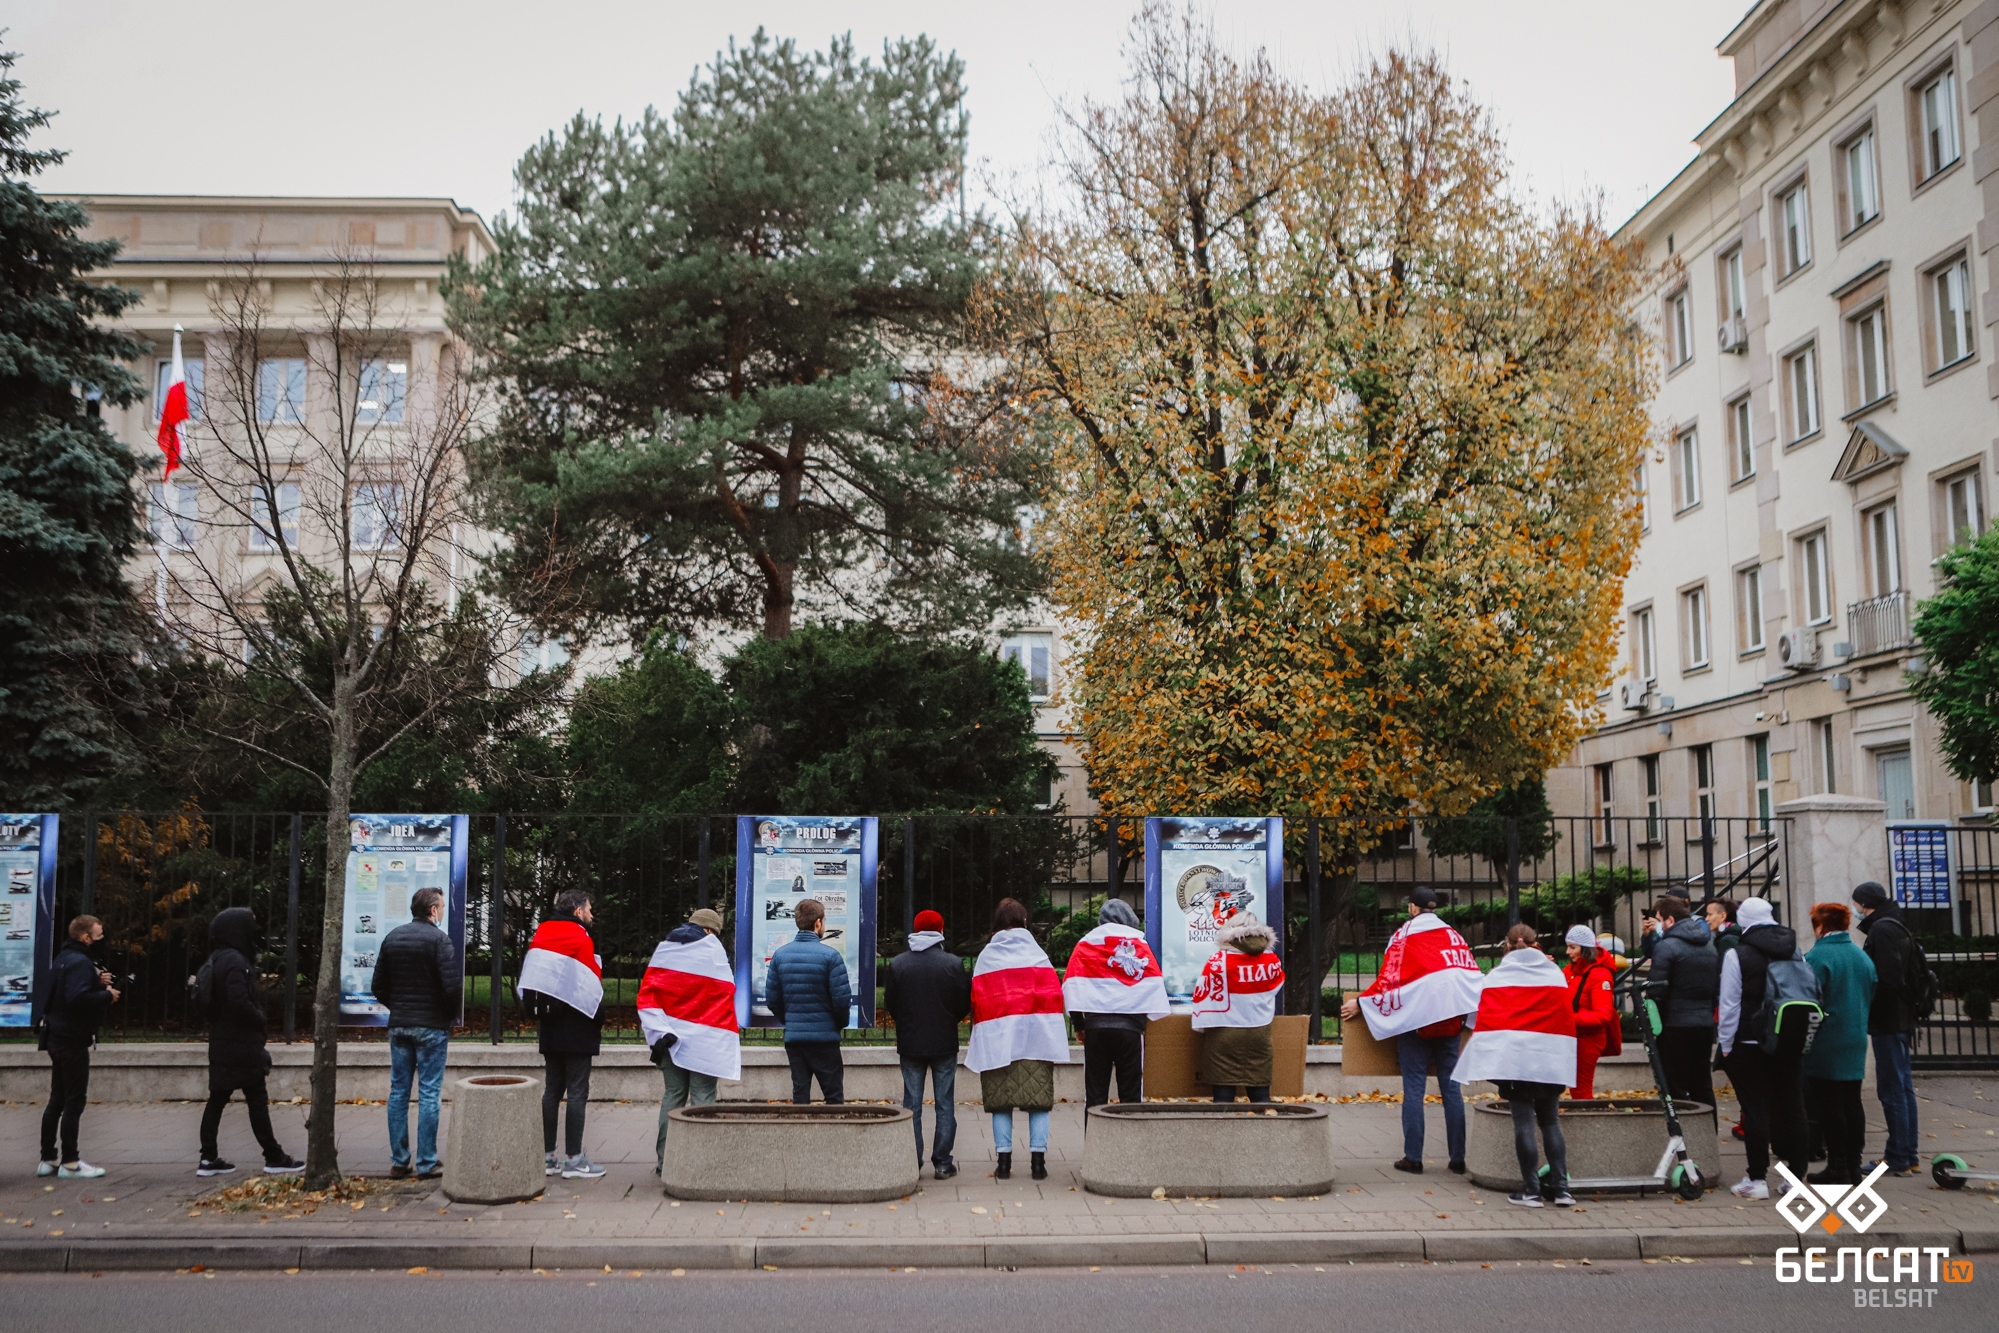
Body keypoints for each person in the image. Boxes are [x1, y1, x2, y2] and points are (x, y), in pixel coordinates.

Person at [1340, 885, 1482, 1174]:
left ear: (1413, 908)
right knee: (1452, 1091)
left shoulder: (1404, 936)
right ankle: (1457, 1159)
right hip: (1451, 1023)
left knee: (1414, 1090)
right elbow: (1470, 975)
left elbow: (1389, 980)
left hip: (1417, 1025)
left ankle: (1413, 1158)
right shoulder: (1453, 935)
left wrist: (1362, 1003)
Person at [1453, 924, 1577, 1209]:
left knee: (1523, 1123)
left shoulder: (1496, 977)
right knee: (1550, 1122)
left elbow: (1483, 1016)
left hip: (1514, 1061)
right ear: (1536, 944)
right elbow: (1563, 1014)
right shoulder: (1555, 974)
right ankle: (1562, 1189)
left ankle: (1532, 1190)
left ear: (1506, 945)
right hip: (1549, 1058)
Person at [967, 898, 1068, 1181]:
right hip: (1037, 1039)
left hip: (998, 1040)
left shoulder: (987, 956)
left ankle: (1003, 1163)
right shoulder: (1038, 956)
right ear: (1024, 922)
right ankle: (1038, 1164)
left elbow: (978, 998)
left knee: (1000, 1102)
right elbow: (1053, 995)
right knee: (1039, 1101)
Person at [197, 907, 302, 1176]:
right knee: (256, 1096)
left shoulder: (217, 958)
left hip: (222, 1039)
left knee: (218, 1097)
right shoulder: (235, 961)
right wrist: (259, 1018)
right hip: (240, 1042)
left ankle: (208, 1158)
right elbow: (238, 1000)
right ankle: (273, 1156)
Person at [1716, 897, 1808, 1199]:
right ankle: (1796, 1178)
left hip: (1749, 1040)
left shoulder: (1737, 954)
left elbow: (1729, 1004)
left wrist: (1726, 1044)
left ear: (1743, 921)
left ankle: (1757, 1180)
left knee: (1756, 1109)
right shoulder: (1794, 950)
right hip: (1788, 1039)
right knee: (1793, 1107)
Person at [637, 908, 738, 1177]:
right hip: (704, 1041)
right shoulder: (712, 950)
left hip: (669, 1039)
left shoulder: (665, 949)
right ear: (709, 930)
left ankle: (665, 1162)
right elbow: (725, 992)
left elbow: (648, 993)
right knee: (702, 1099)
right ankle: (700, 1162)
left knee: (673, 1096)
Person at [371, 886, 460, 1180]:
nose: (443, 912)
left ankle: (399, 1161)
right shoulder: (440, 941)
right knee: (429, 1092)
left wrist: (398, 1007)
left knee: (398, 1091)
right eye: (442, 907)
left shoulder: (393, 938)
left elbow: (378, 986)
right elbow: (451, 988)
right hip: (431, 1027)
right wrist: (446, 1016)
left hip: (399, 1026)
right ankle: (426, 1162)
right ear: (433, 911)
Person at [519, 888, 607, 1180]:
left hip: (550, 1024)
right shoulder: (580, 937)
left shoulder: (542, 932)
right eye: (589, 909)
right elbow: (591, 982)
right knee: (578, 1092)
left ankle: (546, 1157)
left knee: (551, 1090)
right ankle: (574, 1159)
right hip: (578, 1026)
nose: (591, 914)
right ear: (578, 911)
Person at [885, 909, 971, 1179]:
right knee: (945, 1103)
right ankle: (943, 1163)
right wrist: (948, 1021)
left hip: (911, 1043)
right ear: (940, 931)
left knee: (912, 1103)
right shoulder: (953, 963)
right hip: (944, 1042)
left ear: (916, 929)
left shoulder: (899, 964)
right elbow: (962, 1005)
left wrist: (907, 1023)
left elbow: (891, 1005)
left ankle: (913, 1161)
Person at [1061, 898, 1167, 1109]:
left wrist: (1080, 1027)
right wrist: (1141, 1022)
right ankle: (1129, 1140)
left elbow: (1072, 985)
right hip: (1130, 1030)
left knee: (1095, 1096)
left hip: (1095, 1029)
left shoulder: (1086, 944)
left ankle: (1094, 1140)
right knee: (1131, 1096)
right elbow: (1153, 984)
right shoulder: (1139, 945)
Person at [36, 915, 119, 1178]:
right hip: (71, 1039)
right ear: (86, 937)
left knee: (56, 1099)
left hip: (55, 1037)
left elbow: (63, 993)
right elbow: (76, 998)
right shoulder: (82, 962)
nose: (101, 937)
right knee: (74, 1100)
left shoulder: (63, 959)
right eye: (99, 933)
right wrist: (107, 995)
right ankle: (71, 1162)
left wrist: (96, 983)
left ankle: (48, 1159)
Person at [1802, 902, 1876, 1186]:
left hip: (1827, 1039)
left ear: (1820, 926)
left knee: (1830, 1105)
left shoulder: (1817, 957)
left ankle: (1837, 1166)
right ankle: (1854, 1165)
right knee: (1852, 1102)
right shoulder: (1860, 956)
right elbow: (1872, 990)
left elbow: (1810, 999)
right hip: (1855, 1035)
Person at [1852, 881, 1921, 1177]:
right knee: (1902, 1088)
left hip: (1890, 1021)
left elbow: (1887, 981)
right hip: (1900, 1019)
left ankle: (1897, 1157)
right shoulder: (1895, 924)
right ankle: (1908, 1153)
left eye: (1857, 903)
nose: (1855, 908)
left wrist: (1870, 1009)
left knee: (1893, 1089)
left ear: (1867, 904)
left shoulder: (1882, 930)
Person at [766, 898, 852, 1104]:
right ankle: (833, 1134)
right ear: (818, 923)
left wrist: (790, 1020)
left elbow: (772, 999)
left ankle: (800, 1134)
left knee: (800, 1094)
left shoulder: (780, 955)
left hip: (795, 1039)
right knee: (833, 1096)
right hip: (825, 1039)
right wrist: (837, 1024)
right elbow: (841, 1001)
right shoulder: (831, 956)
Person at [1193, 911, 1284, 1102]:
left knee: (1223, 1094)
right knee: (1260, 1092)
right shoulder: (1272, 960)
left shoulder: (1218, 961)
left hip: (1224, 1032)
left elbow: (1202, 994)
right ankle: (1267, 1130)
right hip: (1260, 1032)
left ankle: (1225, 1129)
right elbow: (1274, 989)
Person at [1643, 896, 1717, 1112]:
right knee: (1702, 1085)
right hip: (1704, 1023)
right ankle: (1707, 1138)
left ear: (1670, 920)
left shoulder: (1667, 946)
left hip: (1675, 1025)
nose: (1658, 924)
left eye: (1659, 920)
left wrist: (1651, 1026)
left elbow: (1656, 991)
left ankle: (1683, 1138)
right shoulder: (1709, 946)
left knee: (1674, 1086)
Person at [1563, 925, 1619, 1100]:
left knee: (1580, 1090)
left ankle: (1585, 1124)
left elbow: (1603, 1015)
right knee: (1574, 1088)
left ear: (1585, 949)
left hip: (1589, 1038)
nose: (1567, 952)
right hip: (1573, 1036)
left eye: (1572, 947)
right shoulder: (1570, 971)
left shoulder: (1600, 975)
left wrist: (1569, 1020)